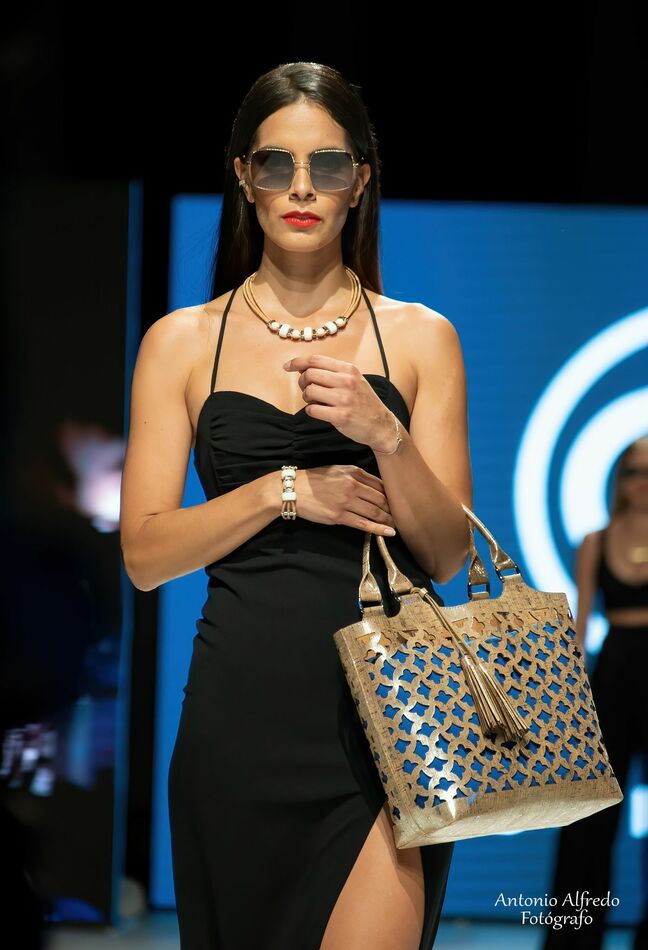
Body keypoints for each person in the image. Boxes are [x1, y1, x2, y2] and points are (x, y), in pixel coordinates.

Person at [119, 61, 473, 950]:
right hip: (238, 719)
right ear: (245, 177)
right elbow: (146, 557)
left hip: (392, 720)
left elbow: (448, 555)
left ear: (362, 179)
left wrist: (384, 434)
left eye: (329, 164)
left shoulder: (422, 337)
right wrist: (286, 491)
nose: (303, 188)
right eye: (277, 164)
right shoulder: (181, 343)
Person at [542, 435, 648, 950]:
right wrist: (566, 699)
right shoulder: (595, 541)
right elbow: (579, 630)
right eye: (635, 471)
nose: (643, 482)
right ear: (620, 478)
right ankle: (575, 939)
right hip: (613, 681)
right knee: (591, 818)